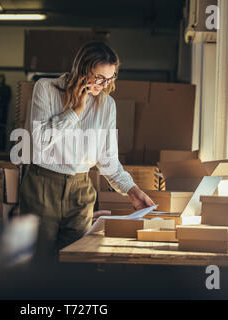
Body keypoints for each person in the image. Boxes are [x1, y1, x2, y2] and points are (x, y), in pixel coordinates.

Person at [20, 41, 155, 263]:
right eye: (99, 78)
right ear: (82, 69)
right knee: (39, 263)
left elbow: (108, 160)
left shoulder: (107, 105)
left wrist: (133, 190)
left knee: (76, 263)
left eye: (110, 78)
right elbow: (40, 142)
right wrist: (75, 111)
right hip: (42, 186)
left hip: (81, 190)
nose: (104, 84)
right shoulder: (45, 88)